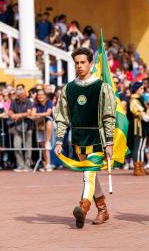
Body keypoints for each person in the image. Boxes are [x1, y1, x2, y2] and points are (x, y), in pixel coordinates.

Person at [54, 47, 116, 228]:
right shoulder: (69, 88)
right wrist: (59, 140)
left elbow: (109, 115)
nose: (80, 66)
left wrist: (110, 141)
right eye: (77, 63)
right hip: (79, 140)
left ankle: (83, 207)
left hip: (98, 138)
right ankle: (103, 210)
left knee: (88, 175)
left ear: (90, 64)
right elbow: (62, 116)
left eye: (83, 62)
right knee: (91, 175)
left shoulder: (101, 87)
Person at [128, 82, 149, 176]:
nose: (143, 90)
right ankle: (137, 168)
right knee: (137, 147)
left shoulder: (140, 99)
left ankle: (141, 166)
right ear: (137, 89)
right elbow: (136, 110)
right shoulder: (134, 99)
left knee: (142, 147)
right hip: (137, 125)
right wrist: (146, 116)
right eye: (141, 88)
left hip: (142, 124)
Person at [9, 89, 33, 172]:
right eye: (22, 96)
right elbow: (10, 113)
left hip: (28, 127)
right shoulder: (13, 102)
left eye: (25, 95)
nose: (24, 97)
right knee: (16, 146)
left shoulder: (28, 101)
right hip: (17, 128)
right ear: (18, 96)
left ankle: (27, 165)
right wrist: (13, 115)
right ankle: (20, 165)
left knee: (28, 147)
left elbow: (29, 113)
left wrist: (18, 115)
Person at [32, 89, 53, 172]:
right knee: (42, 145)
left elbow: (48, 113)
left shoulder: (49, 102)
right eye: (39, 95)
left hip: (48, 125)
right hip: (39, 125)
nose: (40, 96)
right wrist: (40, 115)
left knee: (46, 145)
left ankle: (48, 164)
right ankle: (46, 163)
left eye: (42, 95)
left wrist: (38, 115)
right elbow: (32, 114)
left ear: (45, 96)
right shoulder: (35, 104)